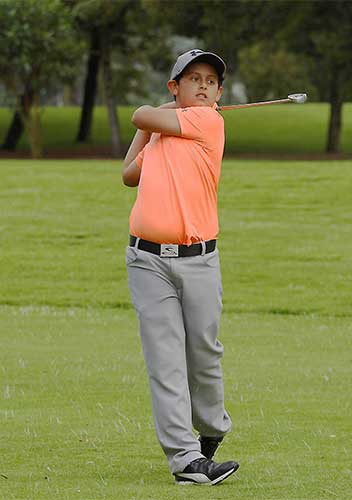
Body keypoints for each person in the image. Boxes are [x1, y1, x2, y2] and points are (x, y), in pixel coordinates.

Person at [120, 49, 239, 485]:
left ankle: (210, 430)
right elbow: (129, 174)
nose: (204, 85)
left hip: (199, 261)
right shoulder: (162, 130)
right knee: (165, 358)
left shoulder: (210, 122)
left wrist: (163, 114)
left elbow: (140, 114)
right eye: (193, 79)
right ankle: (186, 459)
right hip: (147, 261)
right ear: (175, 87)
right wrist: (157, 123)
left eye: (211, 81)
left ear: (220, 93)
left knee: (204, 354)